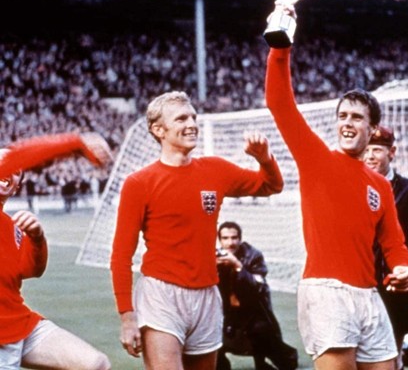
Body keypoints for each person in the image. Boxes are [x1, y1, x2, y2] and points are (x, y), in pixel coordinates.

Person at [264, 8, 408, 370]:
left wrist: (403, 268)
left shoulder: (380, 185)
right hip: (327, 292)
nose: (347, 123)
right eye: (342, 116)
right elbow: (279, 104)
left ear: (372, 129)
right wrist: (281, 46)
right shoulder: (316, 158)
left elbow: (394, 243)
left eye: (356, 117)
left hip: (369, 295)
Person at [110, 91, 284, 370]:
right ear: (159, 130)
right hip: (161, 295)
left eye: (193, 117)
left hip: (207, 296)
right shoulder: (139, 183)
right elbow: (121, 255)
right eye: (181, 119)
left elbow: (271, 185)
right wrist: (127, 316)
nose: (191, 124)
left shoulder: (215, 170)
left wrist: (264, 159)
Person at [0, 132, 113, 370]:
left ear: (17, 186)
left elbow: (31, 270)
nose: (8, 171)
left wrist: (37, 238)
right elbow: (18, 155)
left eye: (17, 172)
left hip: (17, 321)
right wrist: (75, 143)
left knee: (96, 364)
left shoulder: (12, 226)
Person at [364, 125, 408, 370]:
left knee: (392, 356)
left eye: (377, 150)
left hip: (397, 289)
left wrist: (407, 268)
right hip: (361, 285)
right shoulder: (353, 186)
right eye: (366, 150)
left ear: (391, 152)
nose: (370, 156)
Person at [215, 221, 298, 370]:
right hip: (227, 314)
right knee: (208, 337)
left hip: (253, 313)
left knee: (286, 363)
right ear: (220, 240)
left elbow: (256, 288)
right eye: (225, 238)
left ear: (240, 239)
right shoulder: (215, 257)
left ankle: (271, 360)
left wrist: (238, 266)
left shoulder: (253, 256)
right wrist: (215, 268)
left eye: (234, 238)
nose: (230, 243)